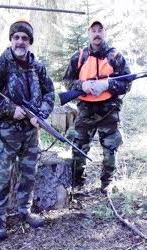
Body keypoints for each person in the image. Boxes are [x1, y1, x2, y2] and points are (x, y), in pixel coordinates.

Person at [0, 20, 55, 240]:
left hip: (31, 133)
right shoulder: (0, 63)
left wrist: (41, 113)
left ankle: (24, 211)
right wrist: (10, 110)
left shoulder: (37, 66)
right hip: (7, 133)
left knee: (28, 174)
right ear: (11, 40)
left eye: (24, 38)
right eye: (16, 37)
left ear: (30, 42)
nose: (20, 41)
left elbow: (50, 93)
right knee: (3, 177)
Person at [63, 18, 131, 194]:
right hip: (85, 109)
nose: (97, 33)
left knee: (110, 148)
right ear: (89, 34)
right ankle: (77, 182)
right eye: (93, 30)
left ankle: (106, 183)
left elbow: (127, 83)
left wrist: (108, 85)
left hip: (109, 109)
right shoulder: (79, 57)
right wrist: (82, 86)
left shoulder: (115, 57)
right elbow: (67, 81)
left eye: (100, 30)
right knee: (79, 146)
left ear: (105, 32)